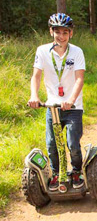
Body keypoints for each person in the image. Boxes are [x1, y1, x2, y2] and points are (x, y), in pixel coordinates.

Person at [28, 13, 85, 191]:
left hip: (73, 107)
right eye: (57, 32)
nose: (61, 36)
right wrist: (34, 96)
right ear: (51, 32)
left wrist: (71, 100)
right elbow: (36, 76)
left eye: (65, 32)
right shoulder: (42, 51)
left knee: (72, 143)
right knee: (52, 144)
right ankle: (56, 173)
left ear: (71, 34)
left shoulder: (77, 52)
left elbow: (79, 79)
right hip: (52, 106)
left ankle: (76, 172)